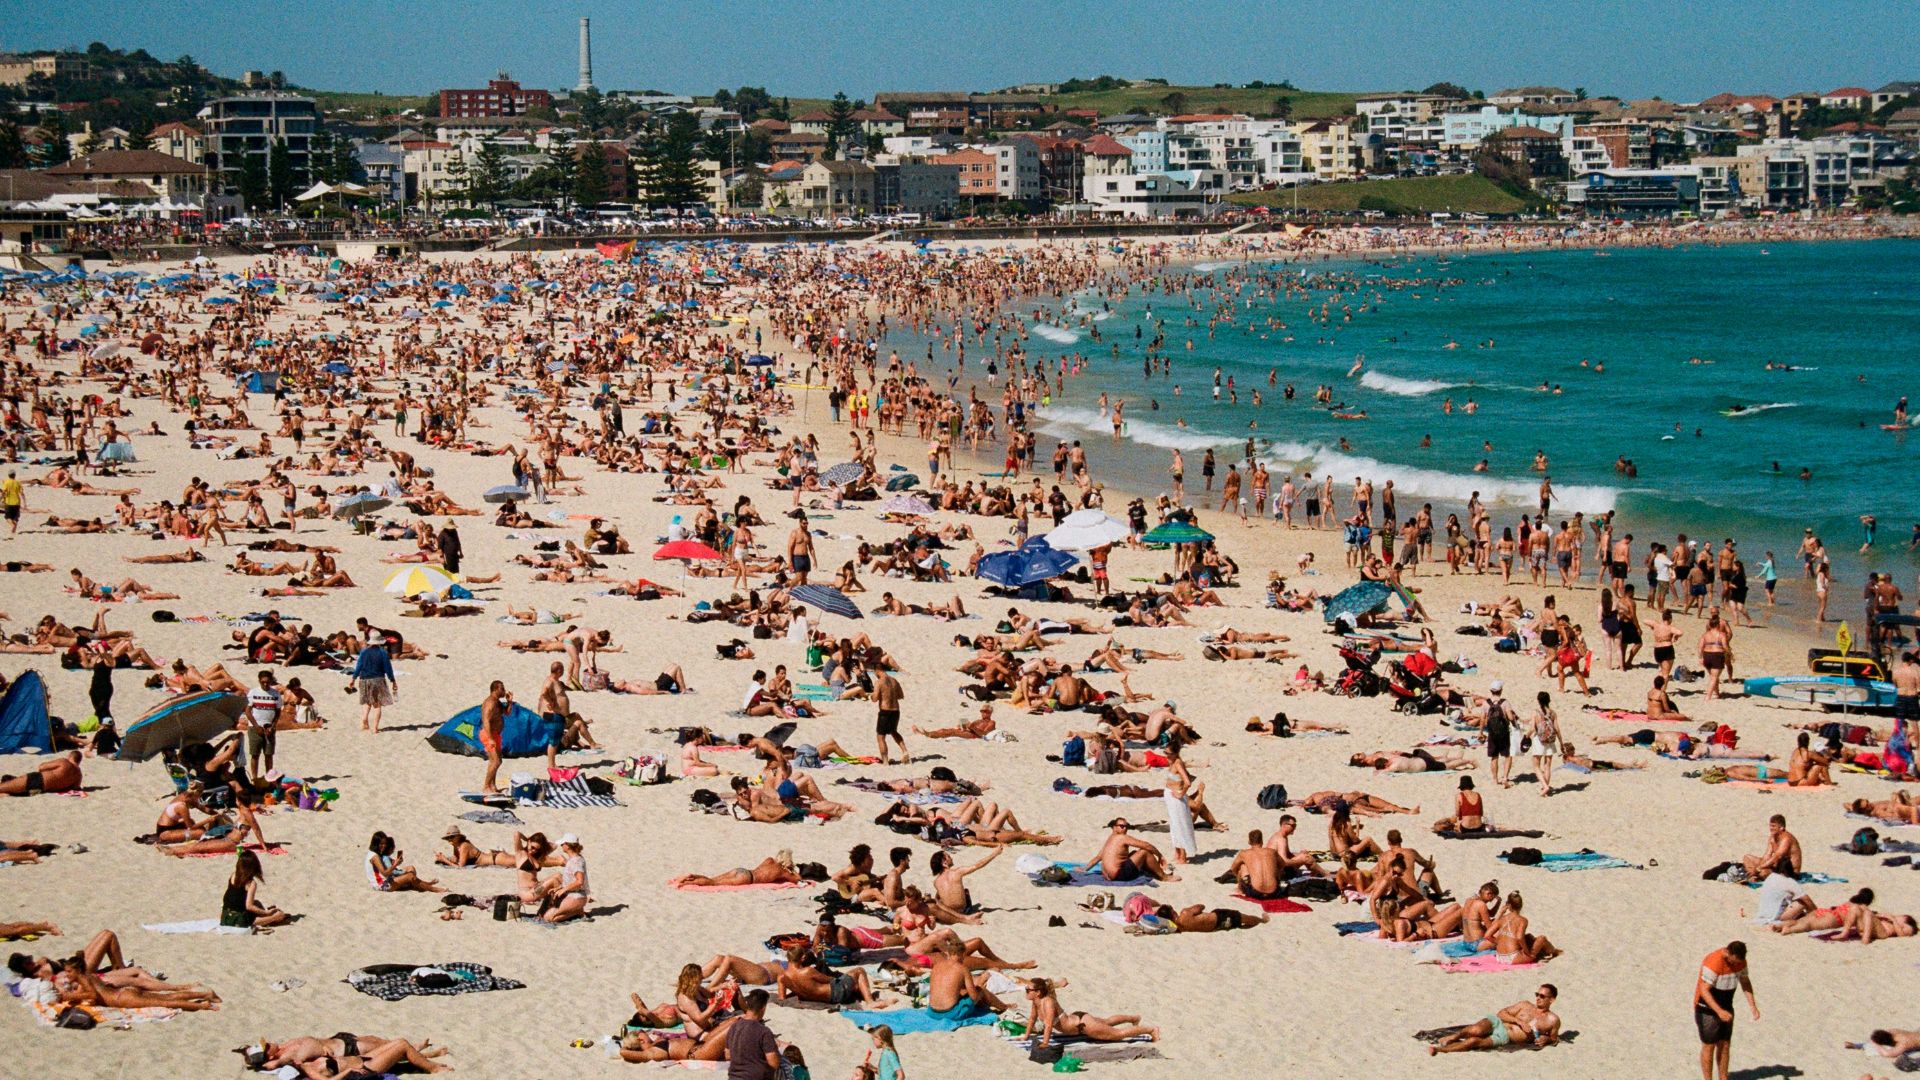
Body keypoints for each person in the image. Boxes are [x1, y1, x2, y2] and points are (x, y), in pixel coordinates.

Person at [1427, 985, 1561, 1054]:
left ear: (1552, 1000)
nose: (1538, 998)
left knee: (1474, 1041)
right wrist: (1519, 1021)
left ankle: (1440, 1050)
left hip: (1505, 1036)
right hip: (1498, 1023)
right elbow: (1502, 1013)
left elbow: (1554, 1039)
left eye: (1542, 996)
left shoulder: (1553, 1020)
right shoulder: (1525, 1005)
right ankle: (1455, 1036)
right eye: (1537, 994)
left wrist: (1547, 1039)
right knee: (1476, 1030)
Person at [1695, 941, 1758, 1080]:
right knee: (1709, 1046)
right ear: (1728, 953)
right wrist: (1719, 1011)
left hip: (1726, 1006)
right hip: (1706, 1008)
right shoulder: (1714, 962)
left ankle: (1723, 1078)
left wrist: (1753, 1006)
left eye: (1738, 962)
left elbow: (1745, 982)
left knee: (1725, 1044)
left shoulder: (1741, 962)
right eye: (1733, 962)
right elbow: (1704, 990)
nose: (1735, 965)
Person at [1084, 817, 1178, 882]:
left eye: (1127, 826)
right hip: (1119, 875)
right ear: (1114, 827)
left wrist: (1085, 869)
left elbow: (1098, 857)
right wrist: (1160, 855)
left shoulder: (1110, 839)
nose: (1125, 829)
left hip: (1107, 877)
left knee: (1134, 853)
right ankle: (1163, 877)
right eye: (1122, 826)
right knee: (1144, 852)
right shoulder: (1122, 837)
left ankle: (1152, 871)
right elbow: (1146, 845)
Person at [221, 848, 291, 929]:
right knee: (279, 915)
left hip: (225, 916)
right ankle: (272, 918)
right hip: (239, 920)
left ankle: (267, 916)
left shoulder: (233, 875)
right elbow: (249, 906)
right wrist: (265, 912)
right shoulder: (251, 883)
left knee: (256, 903)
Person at [723, 988, 781, 1080]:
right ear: (763, 1008)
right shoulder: (763, 1031)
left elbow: (728, 1055)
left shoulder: (733, 1027)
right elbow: (773, 1063)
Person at [347, 633, 396, 732]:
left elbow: (359, 666)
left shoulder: (364, 652)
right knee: (377, 704)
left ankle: (364, 719)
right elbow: (388, 668)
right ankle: (375, 728)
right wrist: (392, 680)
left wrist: (353, 678)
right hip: (378, 679)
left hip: (364, 679)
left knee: (366, 701)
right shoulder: (383, 653)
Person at [245, 669, 283, 778]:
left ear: (271, 681)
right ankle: (254, 778)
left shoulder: (275, 694)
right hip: (255, 728)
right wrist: (256, 726)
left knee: (268, 754)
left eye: (267, 682)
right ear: (259, 681)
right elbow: (248, 711)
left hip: (269, 727)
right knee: (255, 754)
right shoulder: (253, 692)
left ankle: (269, 777)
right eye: (263, 682)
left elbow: (278, 711)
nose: (265, 684)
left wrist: (273, 725)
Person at [0, 750, 82, 796]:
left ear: (70, 756)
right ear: (79, 761)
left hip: (37, 779)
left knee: (3, 786)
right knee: (8, 782)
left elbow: (41, 767)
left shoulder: (64, 762)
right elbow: (75, 788)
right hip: (42, 789)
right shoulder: (78, 775)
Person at [480, 680, 509, 795]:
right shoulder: (490, 703)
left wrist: (509, 702)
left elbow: (507, 713)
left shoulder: (497, 702)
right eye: (502, 688)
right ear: (495, 689)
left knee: (497, 761)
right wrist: (490, 738)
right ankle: (486, 786)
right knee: (495, 761)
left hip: (495, 734)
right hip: (489, 735)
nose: (504, 690)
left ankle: (492, 785)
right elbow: (485, 720)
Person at [873, 666, 907, 764]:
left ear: (877, 670)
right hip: (896, 710)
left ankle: (885, 761)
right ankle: (905, 751)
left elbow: (875, 699)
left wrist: (872, 696)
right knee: (894, 731)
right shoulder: (894, 681)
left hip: (885, 711)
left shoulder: (879, 682)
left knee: (881, 737)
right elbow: (901, 696)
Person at [1484, 681, 1514, 788]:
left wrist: (1480, 732)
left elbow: (1482, 719)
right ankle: (1505, 777)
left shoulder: (1486, 703)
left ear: (1491, 691)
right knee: (1507, 755)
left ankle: (1494, 779)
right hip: (1504, 732)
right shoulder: (1505, 702)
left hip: (1492, 733)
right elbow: (1510, 717)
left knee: (1494, 756)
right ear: (1501, 690)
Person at [1530, 691, 1558, 796]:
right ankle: (1545, 789)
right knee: (1547, 766)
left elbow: (1532, 728)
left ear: (1538, 701)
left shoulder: (1536, 712)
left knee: (1536, 766)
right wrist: (1561, 741)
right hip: (1550, 740)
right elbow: (1557, 729)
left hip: (1539, 740)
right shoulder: (1553, 713)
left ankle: (1545, 786)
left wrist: (1526, 736)